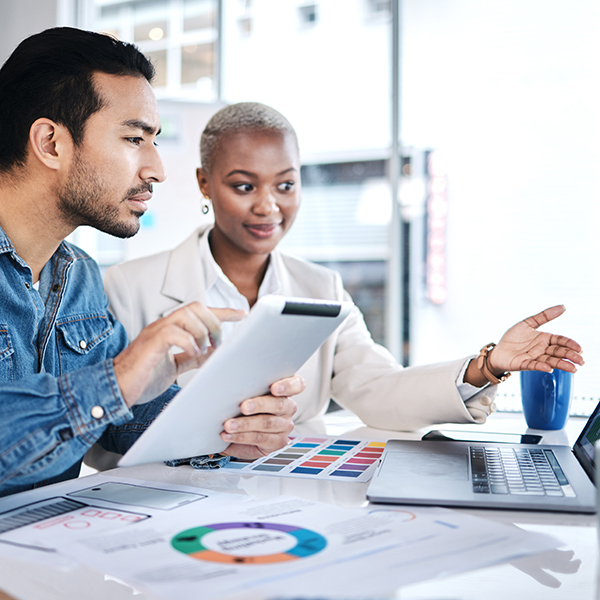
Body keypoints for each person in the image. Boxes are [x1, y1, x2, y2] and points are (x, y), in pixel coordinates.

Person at [104, 102, 584, 434]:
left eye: (286, 186)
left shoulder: (321, 286)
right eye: (244, 186)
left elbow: (379, 388)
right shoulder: (127, 289)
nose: (268, 207)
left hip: (296, 502)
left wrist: (488, 365)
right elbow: (108, 431)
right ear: (205, 185)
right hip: (173, 510)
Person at [0, 34, 302, 498]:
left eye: (154, 142)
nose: (157, 169)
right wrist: (117, 379)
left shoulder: (77, 275)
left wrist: (228, 430)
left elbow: (123, 422)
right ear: (51, 143)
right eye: (134, 139)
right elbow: (107, 394)